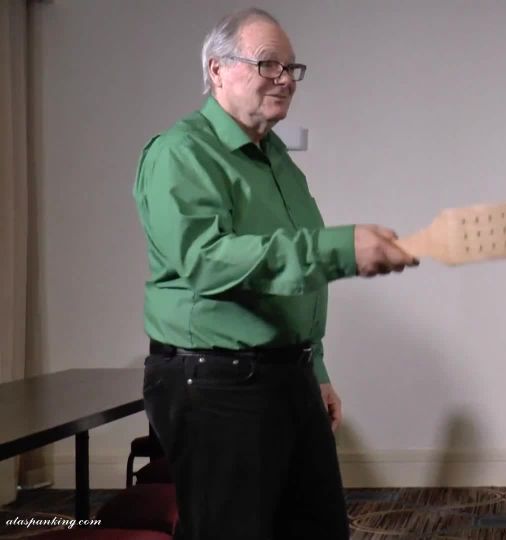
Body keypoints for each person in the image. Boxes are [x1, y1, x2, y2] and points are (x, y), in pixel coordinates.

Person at [132, 8, 418, 540]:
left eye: (291, 68)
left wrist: (317, 368)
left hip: (288, 374)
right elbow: (206, 260)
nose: (285, 79)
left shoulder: (279, 161)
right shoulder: (180, 153)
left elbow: (290, 283)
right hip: (216, 382)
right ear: (217, 69)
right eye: (268, 64)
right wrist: (341, 248)